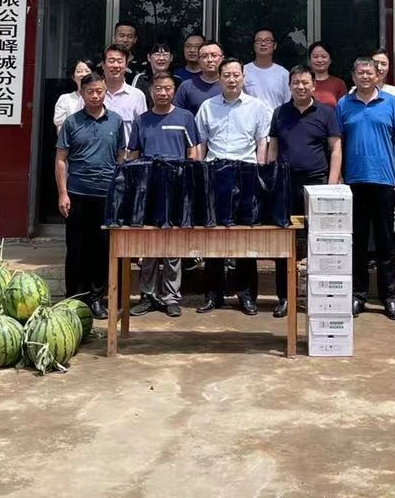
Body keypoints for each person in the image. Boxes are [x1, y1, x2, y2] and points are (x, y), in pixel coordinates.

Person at [193, 58, 272, 315]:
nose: (231, 79)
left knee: (245, 236)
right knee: (214, 235)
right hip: (215, 174)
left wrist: (260, 173)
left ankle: (246, 296)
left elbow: (262, 143)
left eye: (236, 75)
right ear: (219, 78)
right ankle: (213, 295)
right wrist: (201, 172)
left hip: (246, 174)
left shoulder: (257, 107)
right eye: (226, 75)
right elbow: (201, 143)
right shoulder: (207, 107)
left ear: (243, 77)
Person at [337, 56, 395, 321]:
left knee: (385, 241)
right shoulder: (344, 104)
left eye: (370, 72)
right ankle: (359, 295)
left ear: (378, 75)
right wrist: (339, 176)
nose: (365, 76)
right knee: (357, 241)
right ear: (353, 75)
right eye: (361, 72)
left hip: (384, 180)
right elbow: (337, 143)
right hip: (354, 181)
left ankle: (389, 297)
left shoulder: (390, 102)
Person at [269, 64, 343, 318]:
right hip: (285, 185)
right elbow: (273, 149)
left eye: (305, 83)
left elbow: (336, 149)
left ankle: (319, 296)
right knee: (284, 241)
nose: (300, 87)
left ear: (313, 85)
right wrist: (271, 180)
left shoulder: (326, 113)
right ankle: (284, 297)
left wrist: (331, 186)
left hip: (317, 184)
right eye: (296, 83)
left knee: (319, 242)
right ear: (289, 86)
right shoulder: (279, 113)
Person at [126, 72, 198, 319]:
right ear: (151, 91)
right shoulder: (141, 121)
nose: (163, 93)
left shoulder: (186, 117)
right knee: (148, 244)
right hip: (149, 190)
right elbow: (133, 155)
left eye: (167, 88)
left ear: (174, 90)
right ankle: (147, 295)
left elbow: (193, 153)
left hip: (177, 189)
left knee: (173, 244)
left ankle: (171, 297)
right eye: (158, 88)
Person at [56, 72, 124, 320]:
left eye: (99, 91)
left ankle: (97, 299)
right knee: (76, 248)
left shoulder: (115, 121)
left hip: (105, 196)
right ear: (82, 94)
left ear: (105, 92)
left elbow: (120, 156)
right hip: (77, 194)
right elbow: (61, 160)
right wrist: (63, 194)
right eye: (90, 92)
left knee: (101, 249)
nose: (95, 96)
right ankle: (74, 299)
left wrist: (118, 190)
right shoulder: (72, 122)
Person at [101, 44, 147, 151]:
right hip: (97, 159)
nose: (116, 65)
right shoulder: (92, 94)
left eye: (120, 61)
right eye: (111, 61)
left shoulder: (137, 96)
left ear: (126, 65)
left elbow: (143, 131)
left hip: (127, 158)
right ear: (103, 65)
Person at [243, 27, 291, 107]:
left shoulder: (284, 74)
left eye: (267, 40)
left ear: (274, 45)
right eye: (259, 40)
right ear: (254, 45)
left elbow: (288, 103)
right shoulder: (243, 71)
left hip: (276, 115)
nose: (263, 44)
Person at [174, 40, 223, 114]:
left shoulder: (230, 85)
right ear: (199, 60)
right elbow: (176, 115)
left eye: (214, 55)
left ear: (222, 59)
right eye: (204, 56)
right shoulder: (186, 86)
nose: (209, 60)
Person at [52, 60, 93, 131]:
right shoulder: (65, 99)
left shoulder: (101, 98)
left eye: (87, 71)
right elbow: (60, 128)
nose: (83, 74)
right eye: (79, 71)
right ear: (73, 77)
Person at [307, 41, 347, 107]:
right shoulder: (303, 83)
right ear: (309, 60)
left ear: (330, 60)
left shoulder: (339, 84)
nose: (319, 60)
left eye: (324, 56)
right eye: (315, 57)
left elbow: (344, 109)